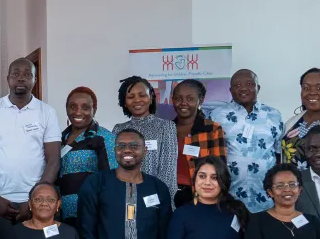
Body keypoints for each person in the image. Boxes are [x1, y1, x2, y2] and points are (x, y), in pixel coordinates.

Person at [0, 58, 62, 221]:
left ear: (35, 80)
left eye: (27, 74)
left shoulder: (47, 112)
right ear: (8, 78)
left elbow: (54, 160)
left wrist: (35, 199)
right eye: (15, 74)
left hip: (35, 201)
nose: (21, 78)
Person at [204, 69, 284, 213]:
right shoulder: (216, 116)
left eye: (249, 84)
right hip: (229, 197)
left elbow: (278, 154)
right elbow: (209, 156)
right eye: (237, 85)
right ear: (230, 90)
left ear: (258, 88)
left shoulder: (274, 115)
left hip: (266, 198)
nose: (243, 89)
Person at [57, 87, 117, 227]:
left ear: (94, 110)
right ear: (66, 109)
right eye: (73, 106)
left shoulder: (104, 138)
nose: (78, 112)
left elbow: (111, 179)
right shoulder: (60, 138)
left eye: (85, 107)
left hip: (91, 215)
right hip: (62, 215)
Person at [112, 76, 178, 201]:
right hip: (124, 196)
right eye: (131, 97)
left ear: (151, 97)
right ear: (124, 101)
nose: (137, 100)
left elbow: (168, 169)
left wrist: (158, 199)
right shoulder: (118, 130)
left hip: (155, 198)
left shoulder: (166, 127)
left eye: (142, 95)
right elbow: (114, 166)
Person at [171, 79, 227, 207]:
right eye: (178, 98)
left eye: (190, 99)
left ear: (200, 101)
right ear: (172, 100)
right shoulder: (166, 129)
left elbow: (220, 169)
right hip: (168, 193)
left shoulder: (212, 129)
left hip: (199, 195)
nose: (183, 103)